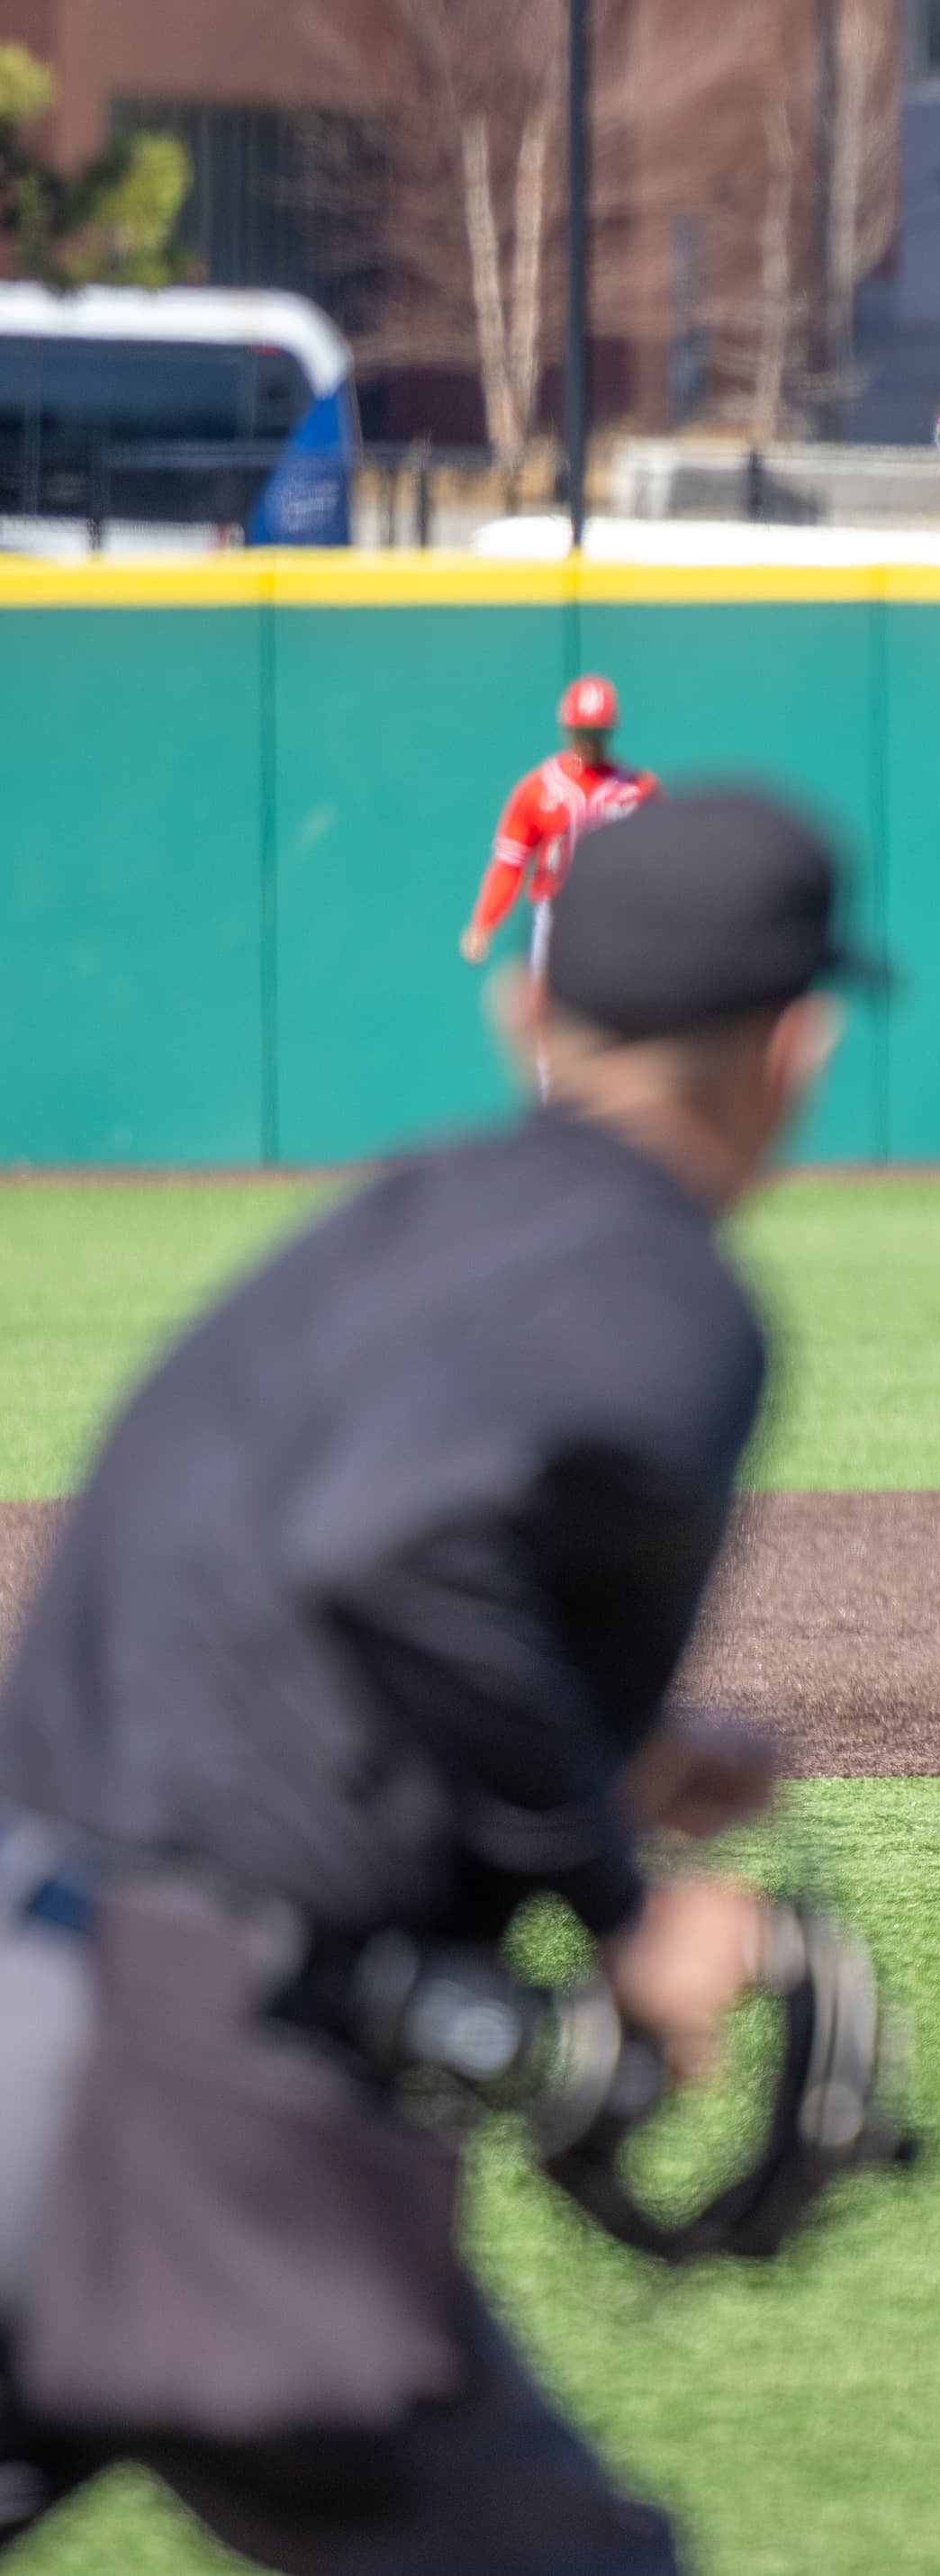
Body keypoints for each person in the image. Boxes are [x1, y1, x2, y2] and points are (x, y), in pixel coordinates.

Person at [0, 790, 868, 2575]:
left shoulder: (400, 1226)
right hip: (191, 2106)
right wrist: (624, 1908)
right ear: (795, 1049)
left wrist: (605, 1746)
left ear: (526, 1017)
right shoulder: (657, 1281)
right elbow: (395, 1547)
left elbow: (260, 1602)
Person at [460, 675, 657, 977]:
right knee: (550, 1011)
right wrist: (484, 923)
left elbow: (665, 864)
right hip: (554, 916)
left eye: (597, 733)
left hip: (619, 916)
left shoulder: (638, 788)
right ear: (567, 730)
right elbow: (510, 864)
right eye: (583, 732)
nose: (590, 742)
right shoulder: (537, 789)